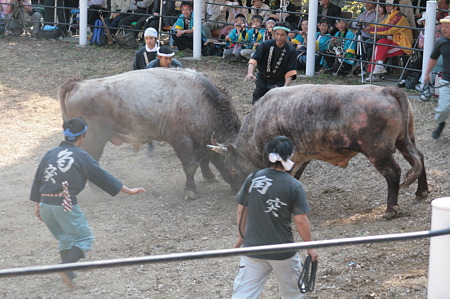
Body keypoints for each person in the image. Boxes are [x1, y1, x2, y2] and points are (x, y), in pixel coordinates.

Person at [30, 117, 146, 288]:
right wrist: (127, 190)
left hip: (46, 204)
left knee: (65, 238)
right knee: (84, 238)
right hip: (65, 204)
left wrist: (38, 205)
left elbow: (38, 179)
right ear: (82, 136)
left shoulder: (50, 153)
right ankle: (65, 268)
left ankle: (68, 274)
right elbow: (100, 175)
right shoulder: (81, 156)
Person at [232, 136, 318, 299]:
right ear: (290, 156)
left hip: (253, 249)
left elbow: (241, 211)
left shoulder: (253, 178)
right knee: (294, 293)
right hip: (283, 252)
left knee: (243, 294)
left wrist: (241, 238)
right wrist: (310, 247)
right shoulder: (294, 185)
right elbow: (300, 220)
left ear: (267, 154)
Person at [245, 21, 298, 104]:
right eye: (277, 34)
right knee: (257, 104)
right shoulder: (265, 45)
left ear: (287, 35)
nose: (279, 37)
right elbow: (254, 59)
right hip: (262, 78)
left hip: (278, 81)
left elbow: (290, 71)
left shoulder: (291, 51)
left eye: (282, 35)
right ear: (274, 33)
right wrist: (250, 72)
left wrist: (285, 87)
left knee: (275, 105)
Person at [364, 0, 412, 82]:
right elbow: (381, 24)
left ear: (395, 7)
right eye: (386, 6)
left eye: (389, 6)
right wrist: (368, 25)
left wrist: (371, 29)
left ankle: (374, 73)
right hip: (395, 42)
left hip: (403, 45)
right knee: (381, 41)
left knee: (377, 50)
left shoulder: (400, 17)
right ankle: (378, 68)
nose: (387, 8)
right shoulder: (392, 16)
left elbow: (388, 29)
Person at [423, 16, 450, 139]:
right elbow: (433, 58)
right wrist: (427, 73)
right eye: (442, 26)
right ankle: (441, 123)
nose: (444, 29)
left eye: (447, 27)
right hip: (446, 81)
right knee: (442, 110)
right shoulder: (440, 42)